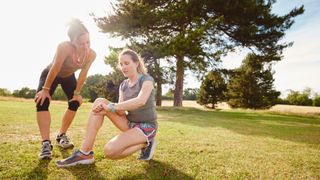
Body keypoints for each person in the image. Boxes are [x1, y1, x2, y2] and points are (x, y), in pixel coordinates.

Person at [56, 49, 157, 167]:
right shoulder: (124, 85)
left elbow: (141, 101)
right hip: (129, 123)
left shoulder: (146, 80)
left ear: (136, 63)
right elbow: (120, 111)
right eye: (121, 64)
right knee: (99, 101)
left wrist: (110, 107)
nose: (123, 67)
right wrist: (106, 109)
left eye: (127, 63)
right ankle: (85, 153)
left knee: (110, 151)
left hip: (147, 127)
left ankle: (146, 144)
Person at [34, 18, 96, 160]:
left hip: (68, 77)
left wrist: (77, 93)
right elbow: (55, 68)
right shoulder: (64, 47)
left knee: (74, 103)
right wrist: (45, 89)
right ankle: (45, 143)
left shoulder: (91, 54)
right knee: (42, 101)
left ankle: (61, 136)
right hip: (51, 74)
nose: (86, 46)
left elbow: (83, 74)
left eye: (88, 42)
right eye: (81, 43)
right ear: (72, 42)